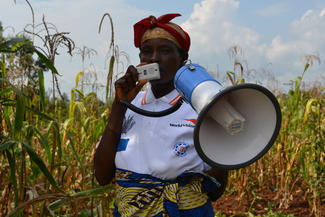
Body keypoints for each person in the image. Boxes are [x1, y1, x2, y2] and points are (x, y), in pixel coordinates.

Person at [94, 13, 228, 217]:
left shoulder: (200, 105)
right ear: (140, 60)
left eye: (165, 50)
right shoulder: (130, 104)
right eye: (146, 52)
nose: (154, 58)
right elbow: (102, 176)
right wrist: (118, 106)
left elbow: (216, 190)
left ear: (183, 58)